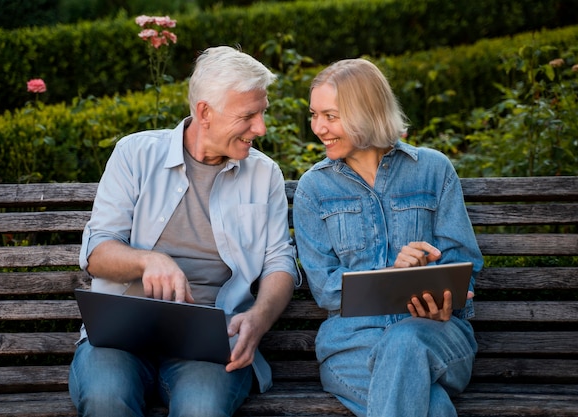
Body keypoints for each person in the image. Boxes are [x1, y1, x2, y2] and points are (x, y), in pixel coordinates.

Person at [69, 45, 300, 417]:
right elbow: (97, 253)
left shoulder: (263, 173)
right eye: (248, 116)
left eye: (263, 113)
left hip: (211, 340)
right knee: (106, 399)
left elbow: (280, 263)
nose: (261, 128)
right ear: (205, 112)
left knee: (201, 410)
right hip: (122, 335)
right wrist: (148, 261)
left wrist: (259, 317)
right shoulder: (135, 154)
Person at [292, 58, 484, 417]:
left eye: (330, 116)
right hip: (352, 347)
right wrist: (392, 275)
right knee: (435, 407)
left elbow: (463, 263)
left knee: (405, 341)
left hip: (435, 336)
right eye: (314, 114)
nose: (318, 127)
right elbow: (325, 287)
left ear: (367, 112)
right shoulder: (314, 189)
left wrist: (439, 287)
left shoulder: (432, 170)